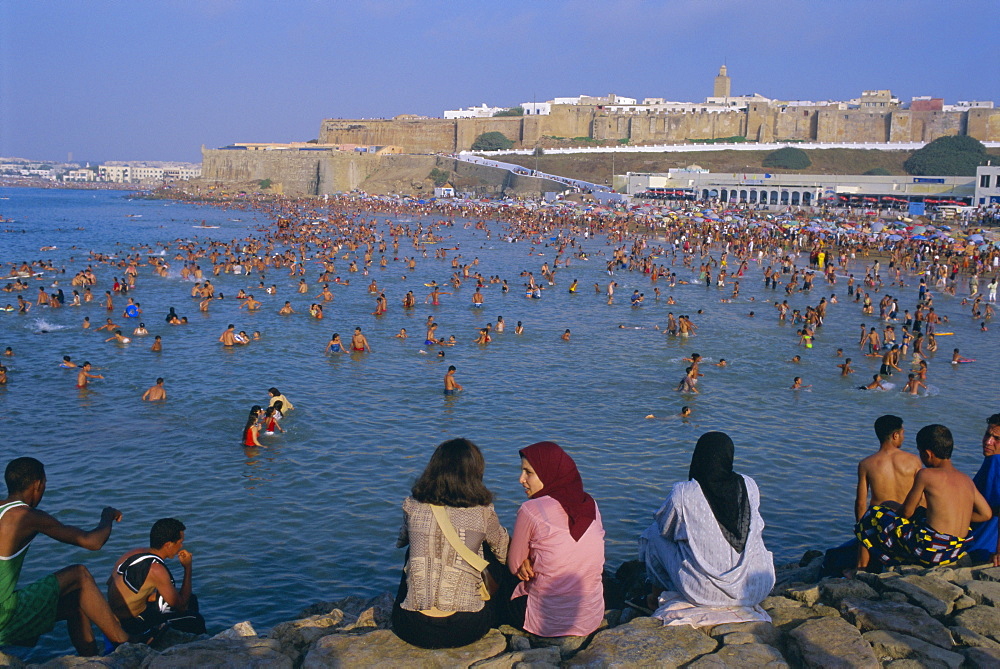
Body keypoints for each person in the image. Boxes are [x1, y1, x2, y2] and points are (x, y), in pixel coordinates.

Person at [638, 432, 775, 627]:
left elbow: (665, 529)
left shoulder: (684, 492)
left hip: (703, 592)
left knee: (651, 534)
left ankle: (655, 595)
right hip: (756, 587)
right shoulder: (749, 485)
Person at [0, 457, 129, 655]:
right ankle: (127, 645)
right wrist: (107, 516)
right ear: (38, 484)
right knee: (79, 574)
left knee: (76, 603)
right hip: (3, 615)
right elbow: (93, 542)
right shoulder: (27, 516)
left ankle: (92, 661)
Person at [391, 438, 509, 649]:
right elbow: (504, 552)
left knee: (413, 551)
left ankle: (417, 602)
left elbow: (401, 541)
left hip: (411, 627)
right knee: (488, 552)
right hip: (465, 628)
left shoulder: (412, 505)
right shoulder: (483, 511)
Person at [856, 424, 992, 568]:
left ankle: (866, 567)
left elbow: (907, 513)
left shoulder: (926, 475)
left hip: (931, 551)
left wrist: (890, 505)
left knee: (872, 515)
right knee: (922, 516)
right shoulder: (966, 479)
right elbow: (986, 514)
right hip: (955, 551)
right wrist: (949, 514)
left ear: (927, 454)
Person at [508, 441, 605, 638]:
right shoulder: (590, 504)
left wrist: (525, 560)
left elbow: (514, 566)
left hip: (546, 621)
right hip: (590, 616)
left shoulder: (530, 510)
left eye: (529, 473)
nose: (521, 479)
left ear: (548, 473)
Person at [106, 518, 205, 642]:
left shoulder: (133, 553)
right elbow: (181, 606)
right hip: (132, 625)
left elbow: (111, 583)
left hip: (112, 620)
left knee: (189, 598)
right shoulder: (156, 569)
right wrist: (188, 567)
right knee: (195, 618)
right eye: (180, 542)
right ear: (168, 545)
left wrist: (145, 597)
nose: (181, 546)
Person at [853, 415, 922, 570]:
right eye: (903, 433)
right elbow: (922, 496)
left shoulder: (866, 464)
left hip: (880, 524)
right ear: (895, 435)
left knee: (864, 524)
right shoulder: (913, 460)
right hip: (907, 521)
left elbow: (861, 502)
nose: (903, 437)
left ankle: (861, 568)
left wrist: (860, 530)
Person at [967, 414, 1000, 564]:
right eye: (987, 434)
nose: (988, 442)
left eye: (997, 439)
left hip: (978, 546)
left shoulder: (994, 462)